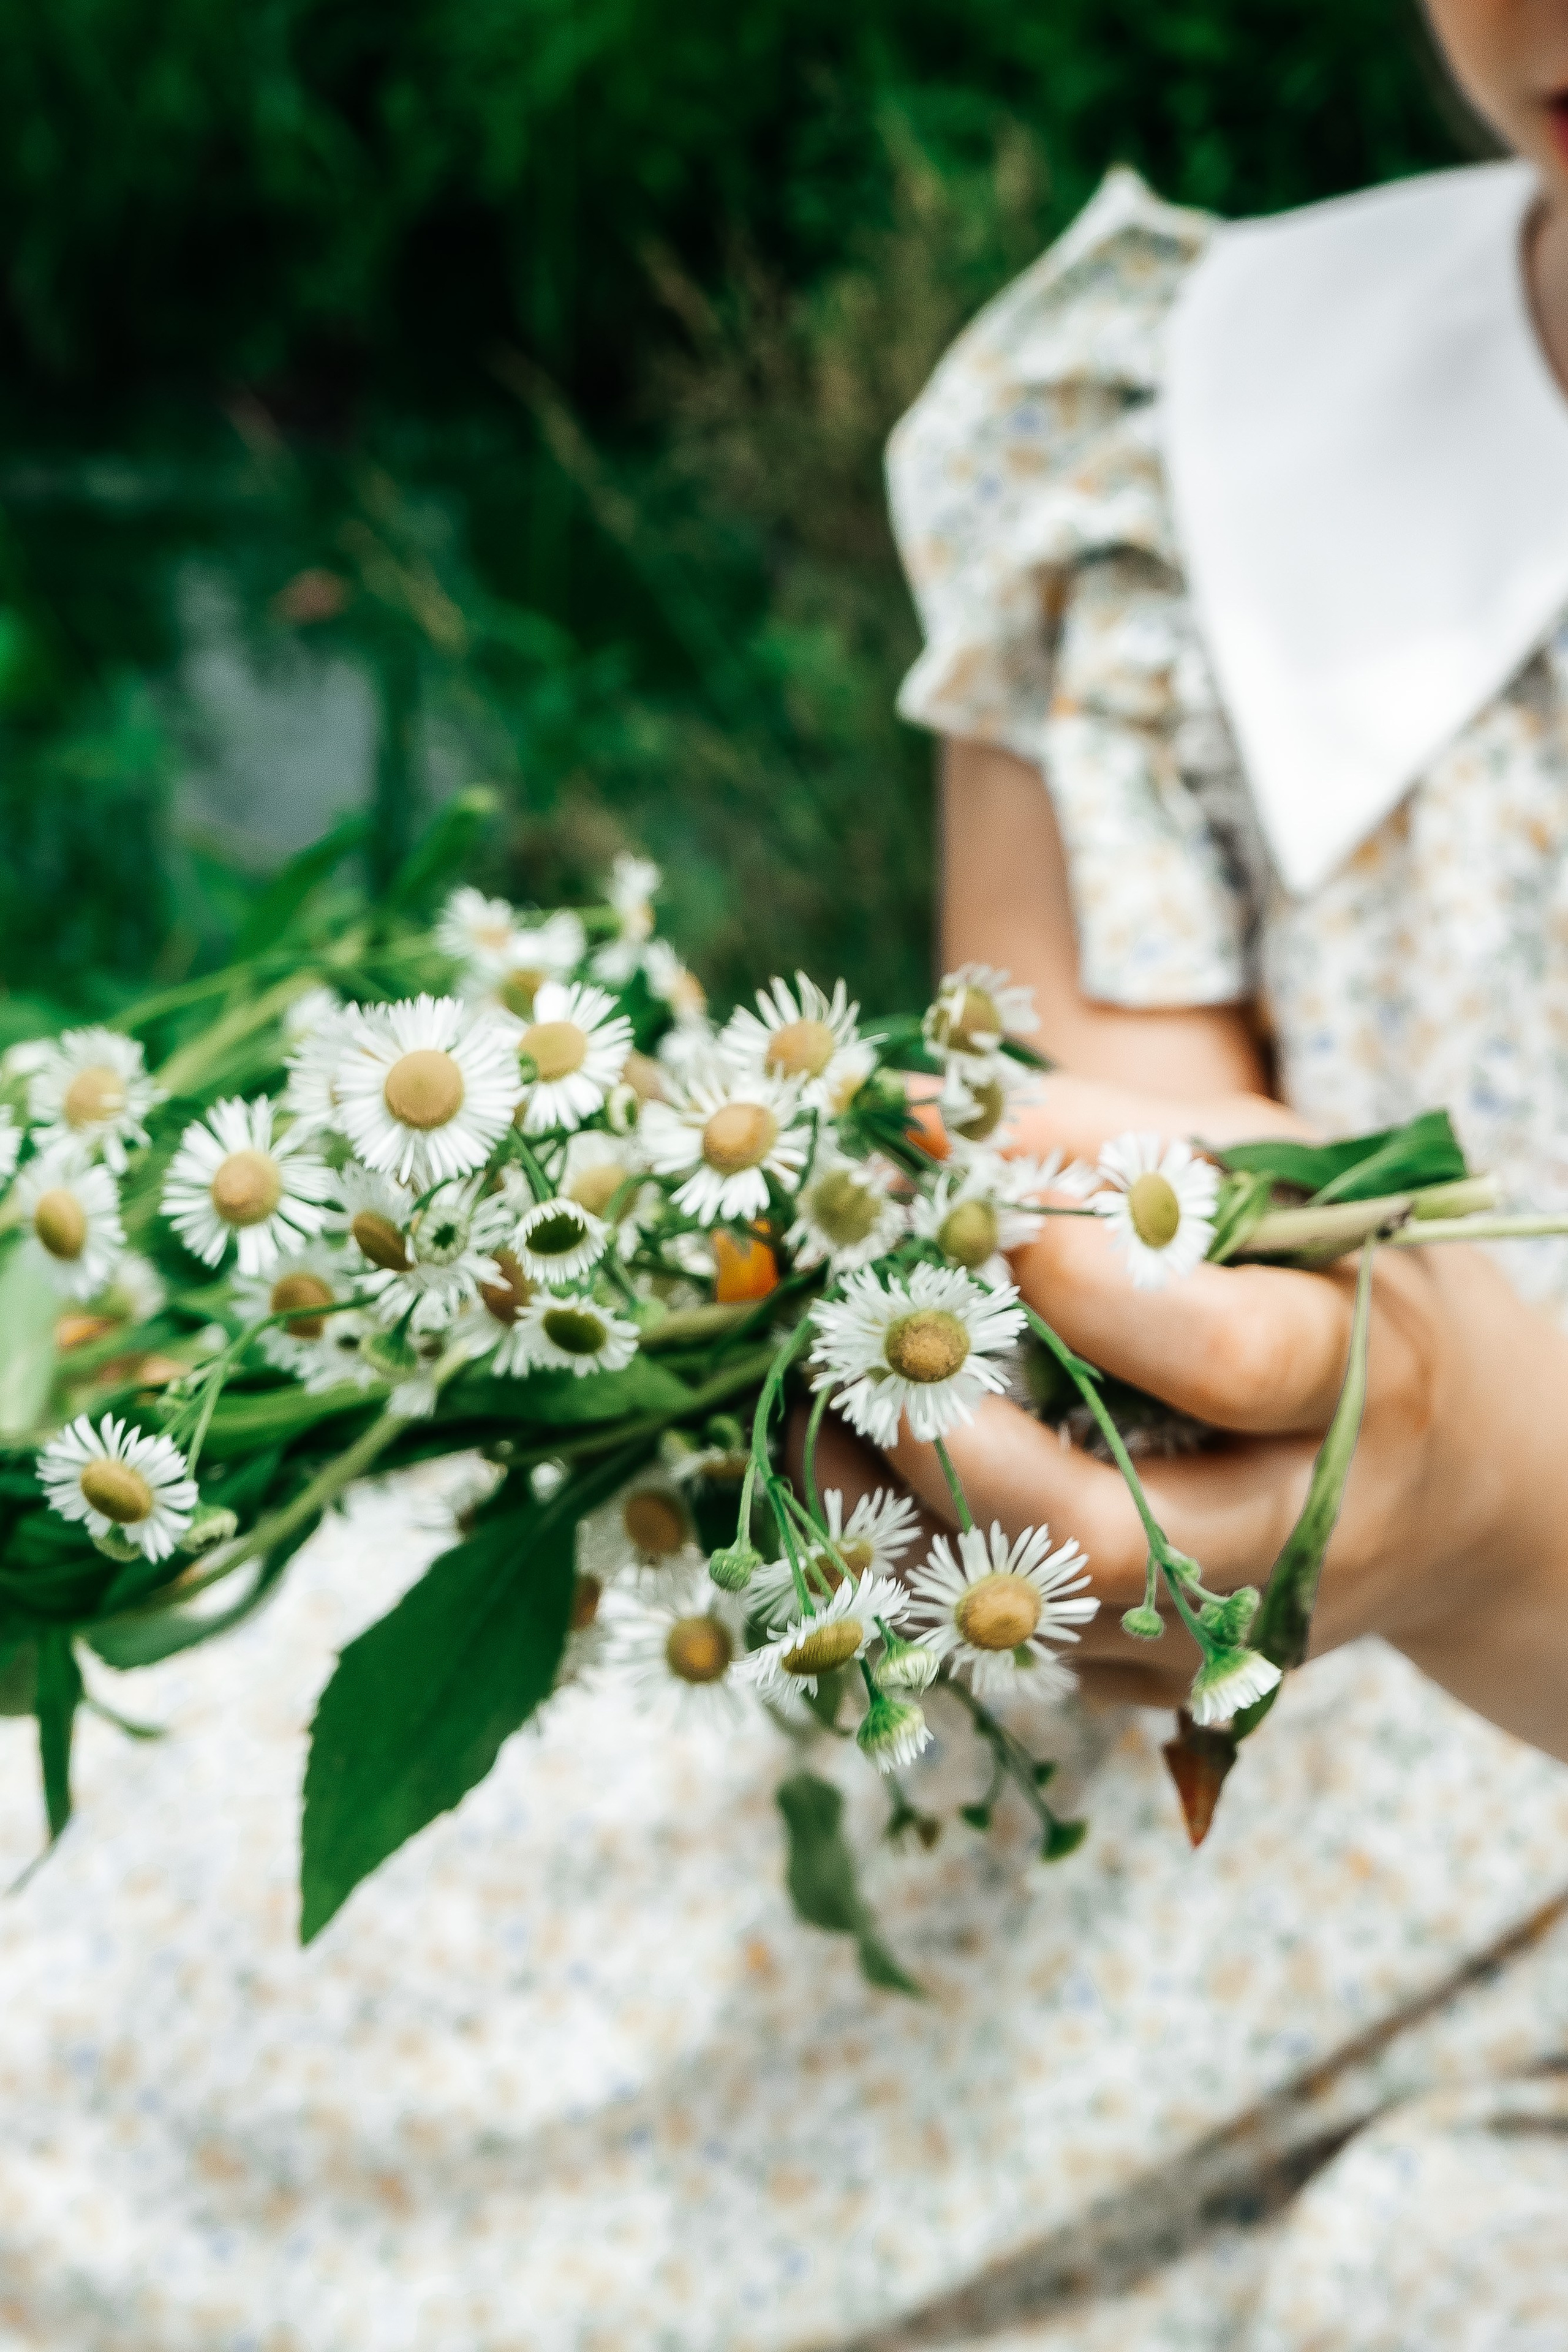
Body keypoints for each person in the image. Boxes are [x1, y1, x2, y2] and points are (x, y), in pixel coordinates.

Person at [4, 18, 1568, 2352]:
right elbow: (1135, 1120)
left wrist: (1495, 1502)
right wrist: (1098, 1279)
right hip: (1099, 1774)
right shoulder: (1184, 418)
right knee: (154, 2031)